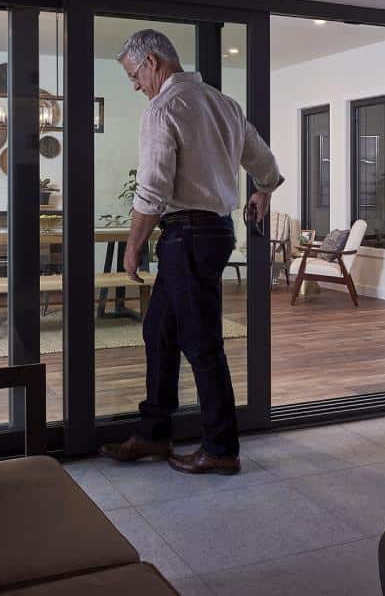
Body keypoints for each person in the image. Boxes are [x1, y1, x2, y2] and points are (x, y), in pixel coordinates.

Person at [100, 29, 282, 475]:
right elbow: (265, 163)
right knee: (158, 331)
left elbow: (152, 189)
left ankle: (220, 449)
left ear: (153, 62)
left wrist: (132, 247)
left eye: (134, 75)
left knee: (201, 343)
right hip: (214, 232)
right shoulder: (225, 104)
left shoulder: (163, 108)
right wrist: (264, 191)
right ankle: (153, 434)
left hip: (188, 235)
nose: (135, 85)